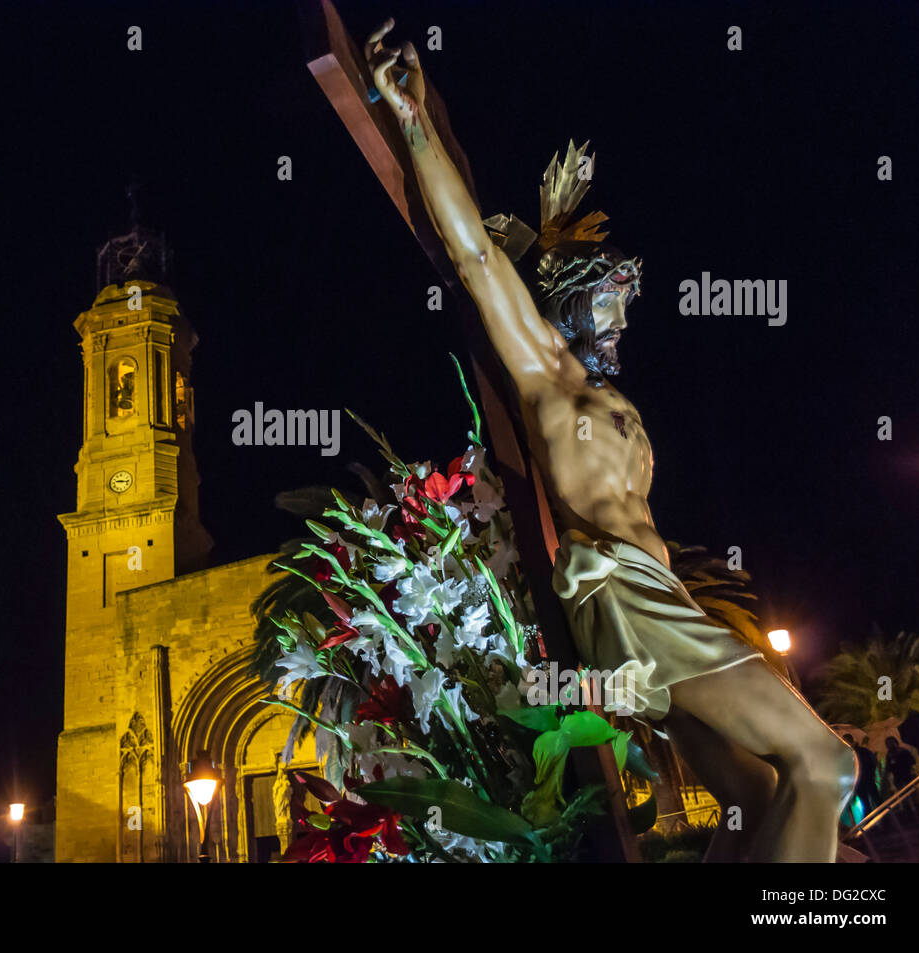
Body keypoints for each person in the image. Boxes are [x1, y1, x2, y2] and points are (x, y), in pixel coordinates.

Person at [366, 18, 856, 862]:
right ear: (567, 304)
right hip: (632, 606)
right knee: (828, 764)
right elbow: (480, 257)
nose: (624, 319)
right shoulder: (548, 375)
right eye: (611, 300)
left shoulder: (615, 402)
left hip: (663, 603)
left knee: (758, 794)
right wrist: (410, 117)